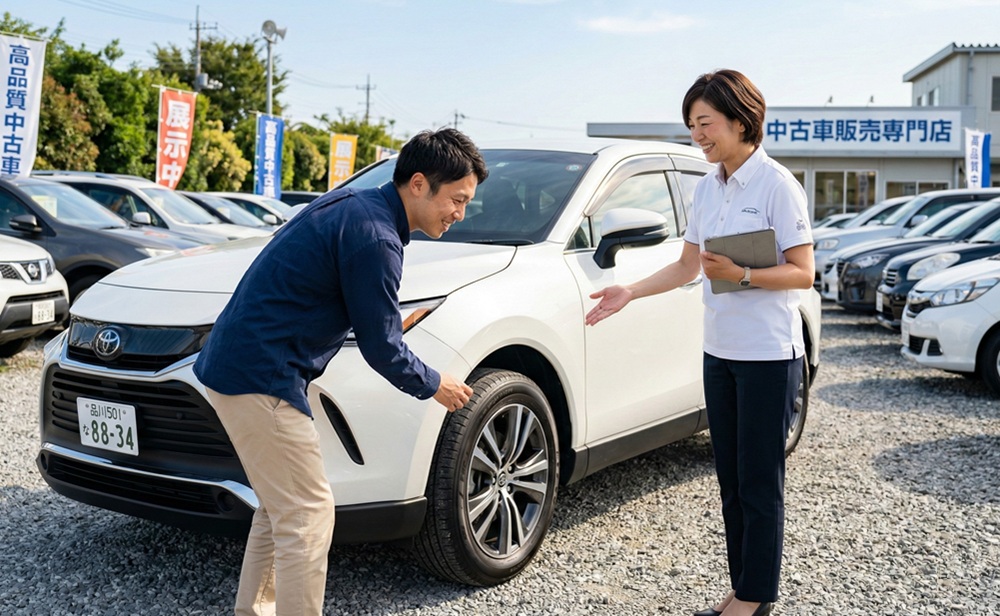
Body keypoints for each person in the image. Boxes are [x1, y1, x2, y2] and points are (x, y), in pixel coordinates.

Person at [193, 128, 488, 616]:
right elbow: (382, 347)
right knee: (308, 515)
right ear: (418, 183)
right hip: (262, 379)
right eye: (456, 199)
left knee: (280, 508)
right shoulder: (377, 238)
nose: (459, 212)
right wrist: (436, 384)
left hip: (240, 366)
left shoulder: (351, 204)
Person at [586, 70, 814, 616]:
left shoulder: (778, 185)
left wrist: (741, 274)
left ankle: (756, 598)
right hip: (721, 352)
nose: (698, 135)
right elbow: (689, 265)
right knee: (731, 480)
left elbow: (803, 273)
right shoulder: (706, 187)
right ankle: (742, 588)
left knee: (759, 481)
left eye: (705, 123)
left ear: (740, 120)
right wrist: (630, 291)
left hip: (767, 356)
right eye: (692, 125)